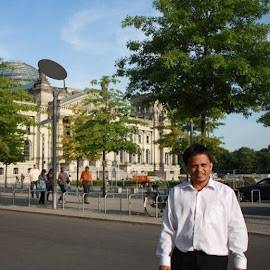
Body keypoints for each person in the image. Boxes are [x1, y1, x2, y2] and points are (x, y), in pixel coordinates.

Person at [156, 144, 248, 270]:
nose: (200, 170)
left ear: (210, 166)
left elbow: (236, 227)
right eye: (195, 166)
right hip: (183, 258)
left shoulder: (225, 193)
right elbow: (169, 227)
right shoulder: (177, 192)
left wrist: (240, 261)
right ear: (187, 168)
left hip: (214, 259)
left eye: (204, 165)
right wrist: (164, 258)